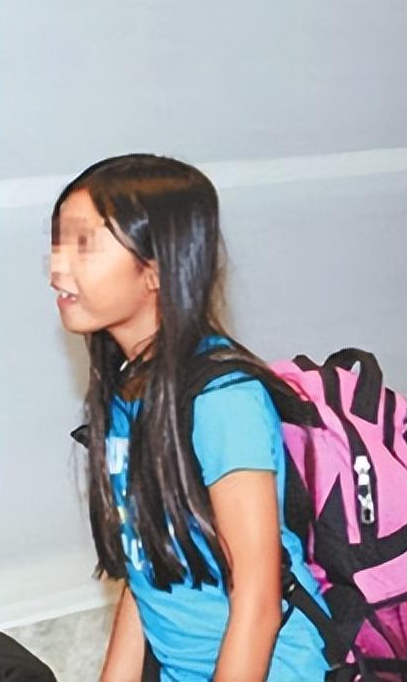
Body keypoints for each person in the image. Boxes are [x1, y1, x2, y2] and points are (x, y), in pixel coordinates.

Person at [50, 154, 328, 681]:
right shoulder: (128, 389)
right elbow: (147, 571)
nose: (57, 268)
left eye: (84, 244)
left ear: (157, 268)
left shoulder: (223, 400)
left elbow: (258, 600)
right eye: (58, 242)